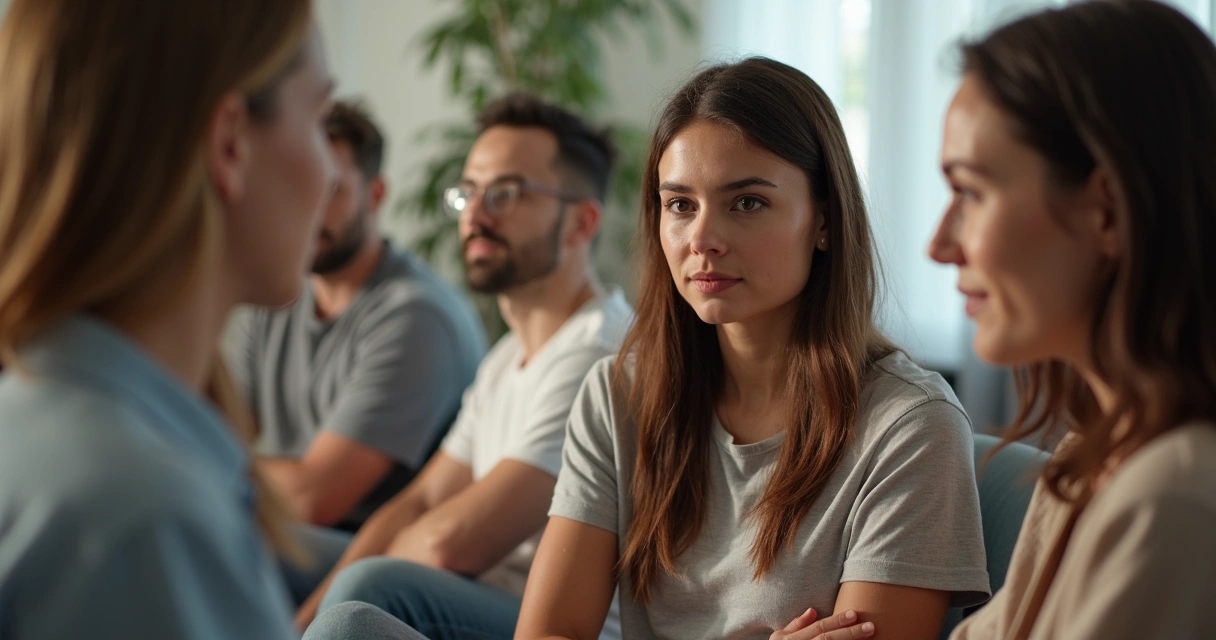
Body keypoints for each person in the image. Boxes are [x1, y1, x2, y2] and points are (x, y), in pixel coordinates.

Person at [515, 57, 990, 640]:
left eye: (747, 203)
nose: (703, 240)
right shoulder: (618, 394)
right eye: (680, 205)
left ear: (824, 221)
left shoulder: (912, 427)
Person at [0, 1, 334, 638]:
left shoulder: (33, 418)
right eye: (320, 120)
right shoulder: (147, 520)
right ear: (230, 142)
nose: (330, 172)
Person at [925, 2, 1216, 638]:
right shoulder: (1091, 460)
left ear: (1107, 211)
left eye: (971, 192)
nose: (940, 245)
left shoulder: (1173, 503)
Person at [298, 93, 634, 639]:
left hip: (547, 623)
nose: (475, 215)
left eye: (505, 194)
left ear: (581, 223)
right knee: (267, 542)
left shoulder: (599, 353)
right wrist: (303, 616)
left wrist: (341, 592)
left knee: (369, 594)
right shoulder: (506, 357)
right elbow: (422, 501)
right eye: (469, 192)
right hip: (478, 598)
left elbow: (451, 542)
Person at [227, 99, 485, 536]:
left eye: (331, 189)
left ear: (376, 194)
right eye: (294, 185)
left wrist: (212, 458)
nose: (307, 208)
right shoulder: (274, 296)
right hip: (296, 527)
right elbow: (209, 432)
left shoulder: (416, 317)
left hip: (373, 551)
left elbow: (315, 499)